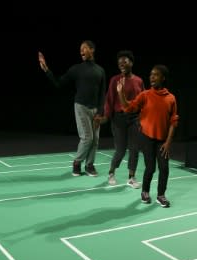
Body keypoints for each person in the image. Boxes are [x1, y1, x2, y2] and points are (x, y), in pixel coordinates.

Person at [38, 40, 106, 177]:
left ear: (92, 50)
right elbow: (58, 83)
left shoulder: (100, 70)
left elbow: (102, 93)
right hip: (81, 106)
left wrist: (100, 112)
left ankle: (89, 165)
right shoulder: (76, 69)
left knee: (96, 139)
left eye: (84, 48)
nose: (81, 51)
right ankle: (77, 162)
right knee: (87, 137)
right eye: (80, 49)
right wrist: (46, 70)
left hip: (95, 110)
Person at [116, 64, 179, 207]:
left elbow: (173, 122)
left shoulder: (171, 98)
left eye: (156, 75)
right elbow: (128, 108)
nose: (152, 77)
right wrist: (120, 93)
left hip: (162, 141)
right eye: (151, 74)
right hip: (146, 138)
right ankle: (145, 191)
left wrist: (168, 142)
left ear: (163, 78)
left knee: (164, 168)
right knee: (150, 168)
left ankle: (161, 195)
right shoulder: (145, 95)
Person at [101, 50, 145, 188]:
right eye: (120, 63)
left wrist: (144, 118)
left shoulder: (139, 81)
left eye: (124, 62)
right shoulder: (115, 80)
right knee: (120, 150)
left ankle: (131, 177)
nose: (122, 65)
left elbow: (144, 101)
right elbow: (109, 100)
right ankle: (111, 172)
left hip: (134, 118)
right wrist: (106, 116)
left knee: (134, 149)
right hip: (119, 119)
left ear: (131, 63)